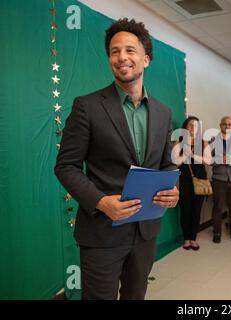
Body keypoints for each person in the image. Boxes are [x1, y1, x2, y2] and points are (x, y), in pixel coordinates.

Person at [54, 18, 179, 300]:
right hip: (101, 233)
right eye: (114, 51)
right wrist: (100, 201)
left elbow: (167, 162)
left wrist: (173, 190)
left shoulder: (163, 112)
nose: (122, 57)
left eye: (130, 50)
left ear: (145, 59)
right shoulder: (87, 107)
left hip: (145, 232)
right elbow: (66, 166)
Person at [172, 116, 209, 251]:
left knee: (196, 210)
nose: (193, 128)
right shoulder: (179, 142)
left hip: (200, 181)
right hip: (183, 181)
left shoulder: (203, 142)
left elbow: (208, 160)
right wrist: (186, 153)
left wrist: (192, 156)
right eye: (190, 125)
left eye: (196, 125)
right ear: (185, 127)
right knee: (185, 210)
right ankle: (186, 239)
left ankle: (193, 238)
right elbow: (175, 162)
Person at [208, 116, 231, 244]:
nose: (228, 127)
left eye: (230, 124)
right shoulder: (213, 141)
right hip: (218, 179)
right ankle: (217, 232)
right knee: (217, 207)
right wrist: (220, 160)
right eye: (225, 124)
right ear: (220, 125)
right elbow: (208, 160)